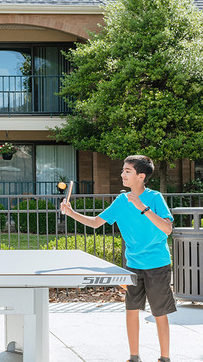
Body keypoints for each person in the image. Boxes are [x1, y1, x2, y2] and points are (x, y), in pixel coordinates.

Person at [60, 155, 174, 362]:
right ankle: (134, 357)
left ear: (141, 176)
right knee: (131, 311)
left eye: (127, 171)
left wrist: (143, 208)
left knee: (159, 313)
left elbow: (167, 229)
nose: (122, 174)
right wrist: (71, 213)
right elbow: (96, 222)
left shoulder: (155, 198)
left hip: (158, 264)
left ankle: (164, 358)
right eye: (123, 170)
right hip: (133, 265)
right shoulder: (121, 201)